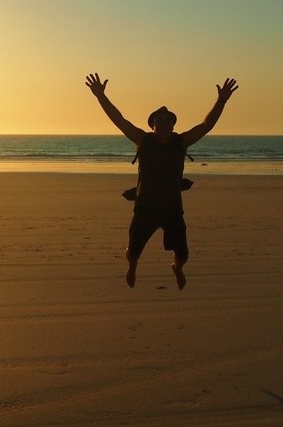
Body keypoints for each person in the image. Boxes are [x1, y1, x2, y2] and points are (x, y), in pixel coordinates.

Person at [85, 73, 238, 289]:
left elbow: (206, 125)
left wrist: (221, 101)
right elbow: (119, 120)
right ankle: (132, 265)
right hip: (145, 207)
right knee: (133, 251)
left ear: (173, 125)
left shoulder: (181, 142)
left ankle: (177, 267)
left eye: (168, 120)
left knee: (183, 254)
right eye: (159, 120)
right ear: (152, 125)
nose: (164, 123)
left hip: (172, 208)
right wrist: (101, 96)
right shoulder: (142, 139)